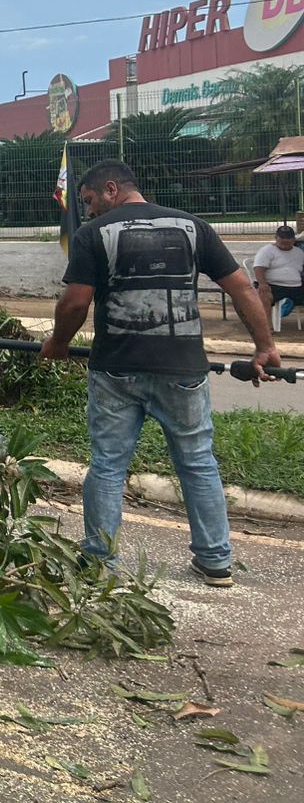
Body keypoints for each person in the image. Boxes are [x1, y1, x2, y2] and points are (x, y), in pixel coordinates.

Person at [40, 159, 280, 588]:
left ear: (111, 189)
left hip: (116, 370)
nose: (90, 209)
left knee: (109, 465)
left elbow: (76, 303)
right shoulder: (193, 227)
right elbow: (243, 287)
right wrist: (264, 347)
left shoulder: (94, 234)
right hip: (182, 369)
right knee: (197, 463)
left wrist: (58, 343)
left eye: (90, 200)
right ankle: (214, 561)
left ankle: (99, 562)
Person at [252, 224, 304, 319]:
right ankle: (267, 326)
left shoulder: (299, 252)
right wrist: (262, 283)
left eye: (288, 238)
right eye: (282, 237)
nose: (285, 240)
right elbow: (258, 268)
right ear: (276, 237)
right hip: (274, 285)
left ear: (293, 239)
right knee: (264, 294)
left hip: (296, 286)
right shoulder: (267, 250)